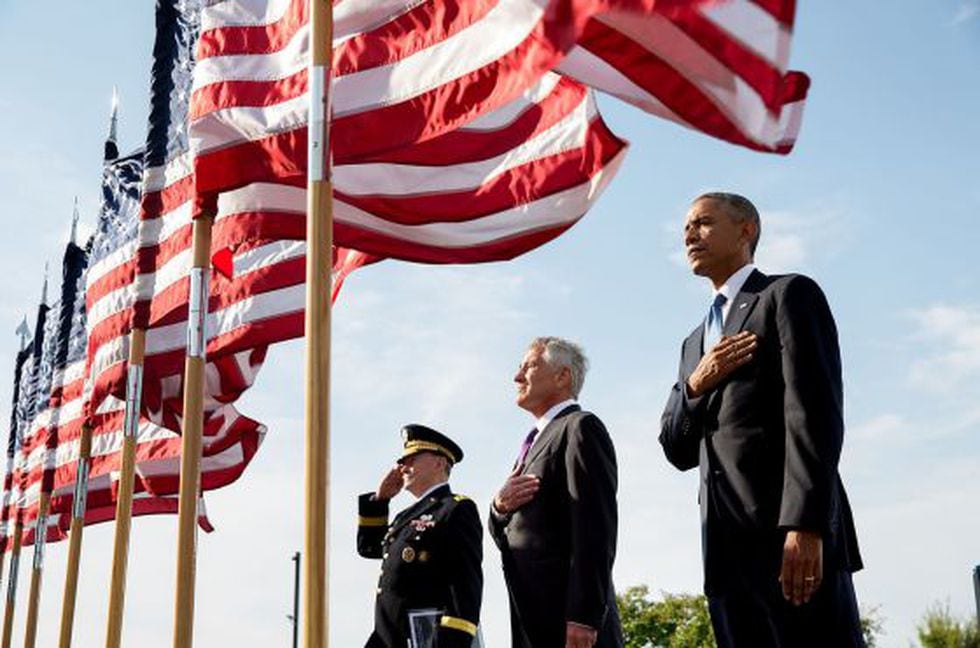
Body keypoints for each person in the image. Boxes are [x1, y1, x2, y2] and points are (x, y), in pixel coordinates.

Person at [659, 192, 865, 647]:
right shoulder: (694, 344)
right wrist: (696, 385)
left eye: (703, 222)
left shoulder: (787, 295)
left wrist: (806, 524)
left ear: (746, 229)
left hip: (790, 545)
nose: (690, 235)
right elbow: (676, 448)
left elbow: (814, 416)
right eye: (686, 227)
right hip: (726, 557)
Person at [489, 337, 623, 648]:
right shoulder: (533, 443)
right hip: (531, 619)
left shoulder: (579, 427)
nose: (517, 377)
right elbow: (508, 534)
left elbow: (595, 527)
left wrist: (584, 615)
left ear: (562, 376)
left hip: (567, 623)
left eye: (529, 367)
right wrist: (499, 507)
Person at [357, 424, 482, 648]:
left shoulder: (455, 508)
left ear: (439, 462)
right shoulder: (404, 517)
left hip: (425, 640)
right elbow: (370, 548)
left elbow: (464, 587)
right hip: (386, 639)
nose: (403, 467)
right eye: (402, 461)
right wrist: (380, 500)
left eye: (411, 459)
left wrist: (450, 643)